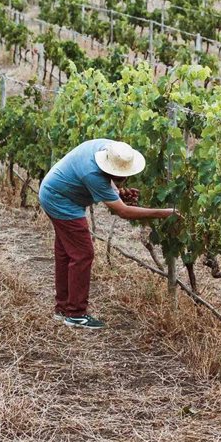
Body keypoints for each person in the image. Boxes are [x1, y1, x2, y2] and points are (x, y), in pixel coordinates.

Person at [39, 139, 177, 330]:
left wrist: (117, 193)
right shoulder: (93, 174)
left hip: (53, 191)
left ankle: (63, 309)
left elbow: (108, 185)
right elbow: (124, 212)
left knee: (66, 253)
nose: (123, 179)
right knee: (82, 254)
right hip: (60, 201)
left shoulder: (109, 149)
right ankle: (76, 314)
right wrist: (164, 212)